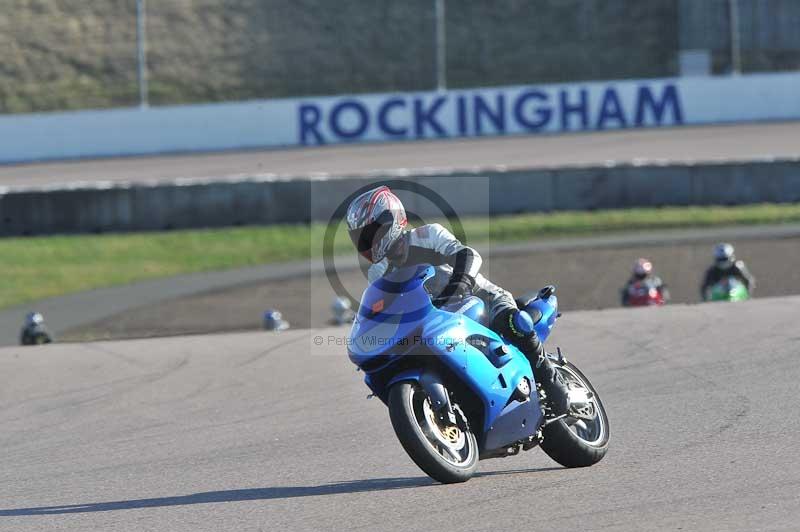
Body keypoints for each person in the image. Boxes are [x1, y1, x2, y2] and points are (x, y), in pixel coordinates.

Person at [345, 185, 570, 415]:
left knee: (514, 323)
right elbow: (385, 306)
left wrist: (460, 283)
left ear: (390, 220)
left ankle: (553, 383)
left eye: (371, 233)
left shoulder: (428, 235)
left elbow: (468, 254)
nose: (368, 243)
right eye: (361, 238)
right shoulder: (378, 272)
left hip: (479, 298)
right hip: (436, 323)